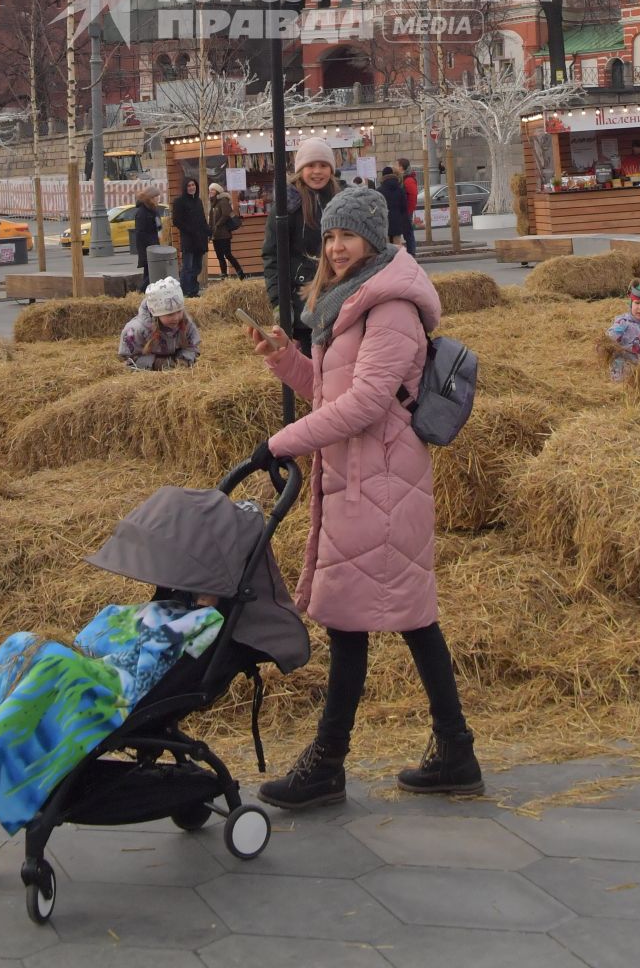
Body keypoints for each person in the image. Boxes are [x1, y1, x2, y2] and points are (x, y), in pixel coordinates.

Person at [245, 186, 481, 806]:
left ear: (375, 238)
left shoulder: (393, 307)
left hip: (381, 482)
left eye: (347, 235)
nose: (335, 246)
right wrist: (286, 360)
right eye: (328, 236)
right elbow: (330, 389)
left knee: (356, 621)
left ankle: (328, 763)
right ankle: (455, 749)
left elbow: (368, 403)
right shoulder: (346, 303)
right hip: (359, 480)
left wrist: (282, 442)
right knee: (408, 618)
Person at [262, 137, 339, 353]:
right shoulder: (287, 207)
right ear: (300, 169)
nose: (317, 171)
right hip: (305, 300)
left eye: (323, 165)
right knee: (310, 366)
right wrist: (279, 302)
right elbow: (272, 256)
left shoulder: (341, 200)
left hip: (339, 295)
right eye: (311, 166)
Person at [118, 277, 201, 370]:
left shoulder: (185, 323)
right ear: (156, 314)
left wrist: (184, 360)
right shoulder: (135, 330)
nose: (176, 318)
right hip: (149, 373)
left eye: (179, 311)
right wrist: (157, 364)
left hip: (176, 369)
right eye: (170, 314)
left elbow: (192, 346)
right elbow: (128, 359)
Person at [171, 176, 209, 297]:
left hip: (200, 239)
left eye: (193, 185)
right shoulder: (179, 201)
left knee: (197, 267)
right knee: (187, 267)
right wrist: (190, 230)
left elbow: (202, 219)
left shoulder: (198, 201)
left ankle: (193, 290)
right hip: (188, 239)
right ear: (185, 187)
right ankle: (184, 291)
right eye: (189, 185)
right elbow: (176, 221)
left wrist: (208, 231)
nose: (191, 187)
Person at [207, 182, 246, 279]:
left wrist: (217, 224)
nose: (210, 191)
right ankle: (224, 274)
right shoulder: (213, 203)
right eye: (210, 190)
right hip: (215, 234)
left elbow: (226, 214)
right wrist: (210, 230)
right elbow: (211, 219)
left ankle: (240, 273)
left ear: (217, 191)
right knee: (220, 256)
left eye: (213, 189)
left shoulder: (223, 201)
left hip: (224, 234)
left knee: (227, 254)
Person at [131, 186, 162, 291]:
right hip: (148, 248)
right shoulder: (142, 212)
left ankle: (145, 292)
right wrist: (149, 246)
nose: (158, 199)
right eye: (156, 197)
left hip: (154, 245)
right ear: (151, 198)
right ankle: (140, 291)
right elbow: (140, 233)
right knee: (151, 272)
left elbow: (158, 227)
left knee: (150, 272)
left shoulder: (153, 210)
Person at [379, 166, 411, 247]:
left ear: (383, 176)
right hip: (397, 220)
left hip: (384, 221)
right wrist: (405, 222)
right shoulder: (400, 189)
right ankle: (399, 258)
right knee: (397, 242)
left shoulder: (379, 191)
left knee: (386, 245)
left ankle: (389, 259)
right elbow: (404, 207)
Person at [397, 156, 419, 256]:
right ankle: (411, 251)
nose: (396, 167)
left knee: (408, 232)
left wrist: (408, 210)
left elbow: (413, 196)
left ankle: (411, 252)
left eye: (397, 165)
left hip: (406, 210)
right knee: (407, 232)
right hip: (405, 210)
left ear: (401, 167)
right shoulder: (404, 178)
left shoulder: (408, 180)